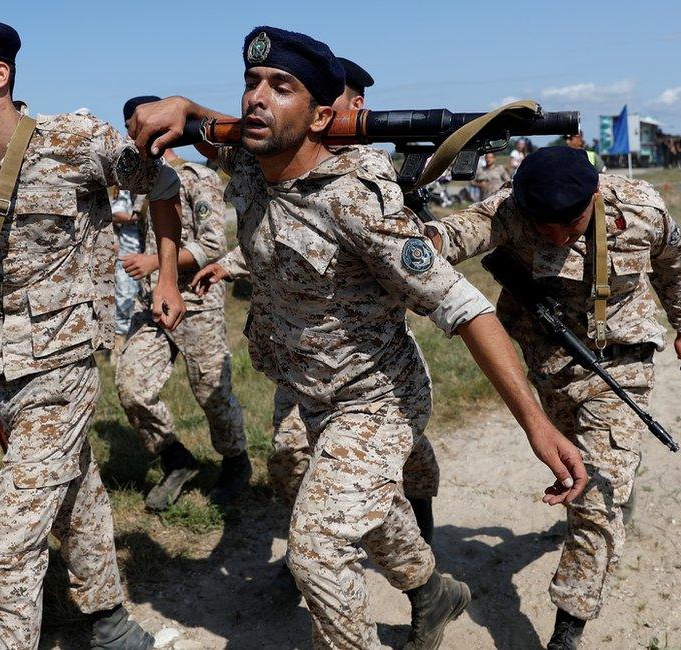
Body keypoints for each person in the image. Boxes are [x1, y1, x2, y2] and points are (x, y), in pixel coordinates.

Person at [129, 26, 587, 649]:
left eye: (280, 87)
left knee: (315, 547)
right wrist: (185, 106)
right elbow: (204, 131)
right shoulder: (250, 162)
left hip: (377, 399)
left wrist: (536, 424)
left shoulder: (359, 203)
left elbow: (467, 308)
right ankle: (432, 591)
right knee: (328, 492)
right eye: (251, 83)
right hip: (307, 388)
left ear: (321, 115)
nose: (256, 99)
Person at [0, 16, 185, 649]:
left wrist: (166, 275)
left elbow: (161, 183)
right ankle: (111, 624)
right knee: (75, 490)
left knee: (8, 528)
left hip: (61, 359)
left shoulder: (74, 140)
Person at [426, 146, 681, 649]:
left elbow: (674, 263)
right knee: (574, 465)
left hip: (622, 360)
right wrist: (406, 225)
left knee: (595, 500)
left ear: (594, 196)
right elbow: (447, 237)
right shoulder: (510, 210)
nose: (555, 235)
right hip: (550, 364)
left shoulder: (641, 209)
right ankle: (618, 478)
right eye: (543, 225)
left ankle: (567, 630)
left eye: (570, 223)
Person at [208, 56, 440, 545]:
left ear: (354, 108)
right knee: (292, 457)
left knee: (404, 456)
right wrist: (227, 264)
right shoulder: (272, 166)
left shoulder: (369, 184)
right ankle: (313, 548)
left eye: (335, 102)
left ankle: (414, 530)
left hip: (365, 368)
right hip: (294, 360)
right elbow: (278, 238)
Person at [115, 139, 248, 510]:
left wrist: (156, 263)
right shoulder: (145, 188)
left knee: (211, 392)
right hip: (152, 305)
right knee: (132, 387)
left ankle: (236, 462)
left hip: (196, 301)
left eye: (136, 136)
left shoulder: (198, 178)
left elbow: (214, 243)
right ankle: (176, 459)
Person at [111, 187, 143, 364]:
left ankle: (137, 350)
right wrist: (139, 215)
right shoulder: (128, 185)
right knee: (124, 300)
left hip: (152, 254)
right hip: (129, 251)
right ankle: (118, 352)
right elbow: (116, 213)